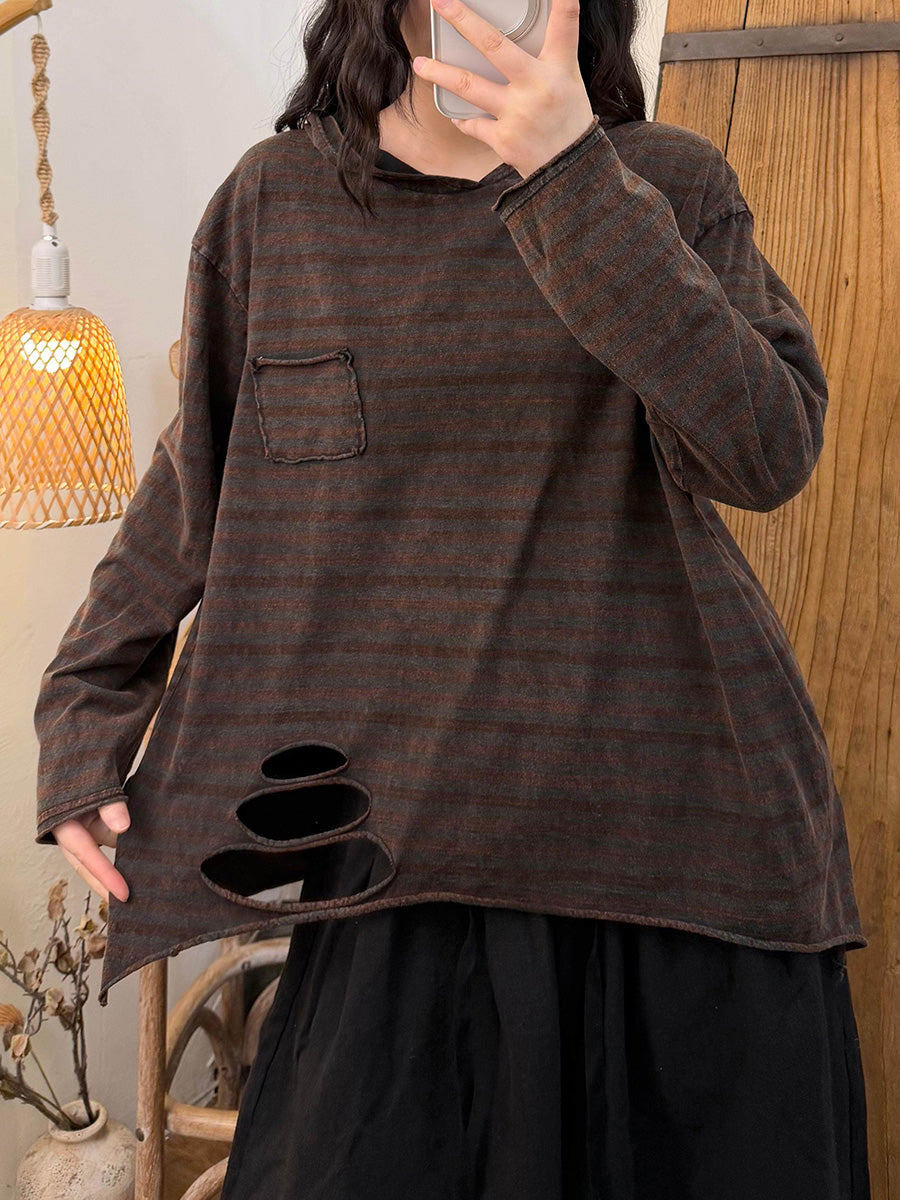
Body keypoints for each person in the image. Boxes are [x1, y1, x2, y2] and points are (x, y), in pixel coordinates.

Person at [39, 0, 871, 1194]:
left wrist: (571, 173)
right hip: (402, 863)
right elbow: (198, 481)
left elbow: (767, 449)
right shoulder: (280, 202)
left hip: (682, 860)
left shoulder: (667, 182)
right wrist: (84, 709)